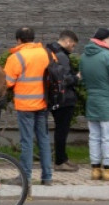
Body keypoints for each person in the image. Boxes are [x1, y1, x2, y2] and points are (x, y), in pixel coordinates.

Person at [4, 27, 53, 185]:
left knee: (27, 141)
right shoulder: (46, 53)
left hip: (25, 105)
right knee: (43, 139)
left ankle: (25, 177)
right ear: (33, 38)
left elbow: (7, 82)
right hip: (43, 103)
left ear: (18, 40)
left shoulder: (16, 57)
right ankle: (47, 177)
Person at [79, 28, 109, 181]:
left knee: (95, 137)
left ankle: (95, 169)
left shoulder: (84, 57)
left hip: (93, 102)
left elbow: (83, 80)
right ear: (104, 40)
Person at [47, 30, 80, 172]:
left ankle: (63, 158)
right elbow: (65, 80)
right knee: (62, 130)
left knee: (60, 129)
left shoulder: (50, 51)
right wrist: (77, 77)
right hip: (64, 98)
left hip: (54, 97)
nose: (73, 48)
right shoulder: (62, 56)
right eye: (73, 45)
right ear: (67, 41)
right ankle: (60, 161)